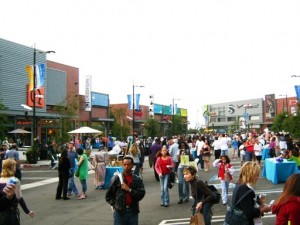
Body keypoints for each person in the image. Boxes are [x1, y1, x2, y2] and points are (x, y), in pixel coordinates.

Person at [105, 156, 146, 225]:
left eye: (128, 165)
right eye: (124, 165)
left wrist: (129, 190)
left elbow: (141, 194)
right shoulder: (116, 179)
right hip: (120, 212)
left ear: (132, 165)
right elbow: (108, 196)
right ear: (122, 165)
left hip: (133, 211)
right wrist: (116, 205)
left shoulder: (137, 179)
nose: (126, 167)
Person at [0, 159, 35, 224]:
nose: (15, 168)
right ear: (12, 167)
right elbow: (20, 198)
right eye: (15, 166)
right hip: (10, 214)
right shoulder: (15, 180)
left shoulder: (0, 180)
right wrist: (27, 211)